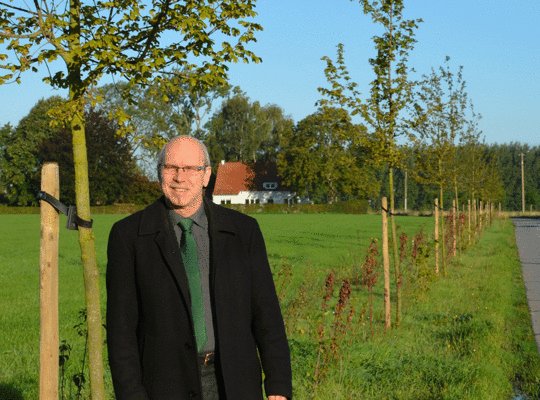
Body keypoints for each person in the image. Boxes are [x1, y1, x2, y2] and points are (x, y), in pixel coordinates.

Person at [106, 136, 292, 400]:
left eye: (190, 169)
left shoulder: (244, 232)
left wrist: (279, 386)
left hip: (235, 383)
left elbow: (267, 316)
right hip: (163, 387)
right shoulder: (129, 236)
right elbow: (120, 332)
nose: (179, 178)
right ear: (160, 173)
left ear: (206, 175)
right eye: (171, 168)